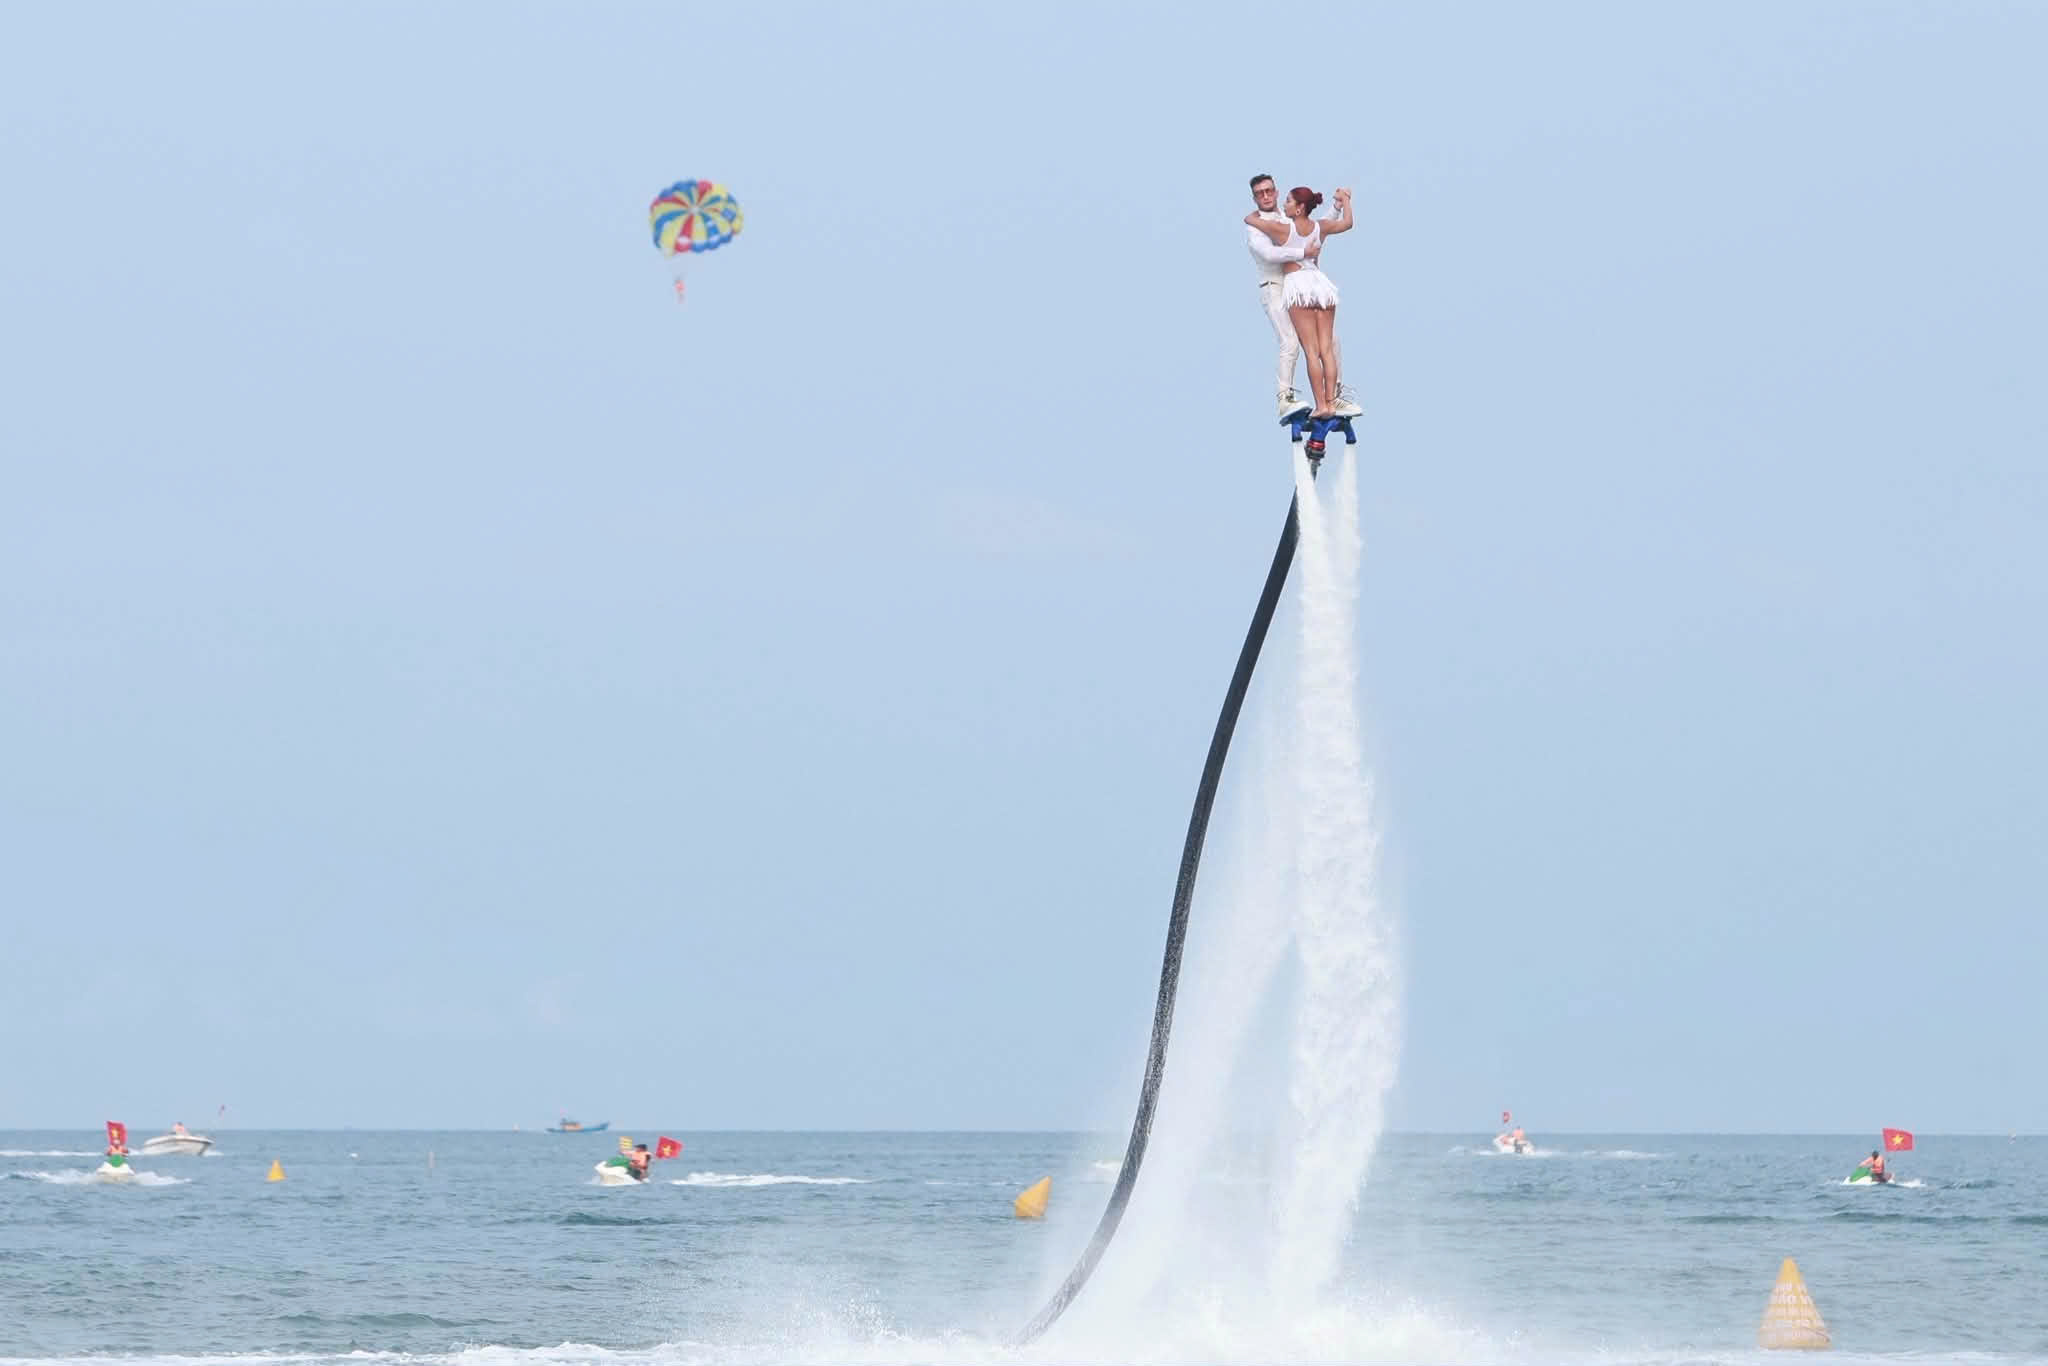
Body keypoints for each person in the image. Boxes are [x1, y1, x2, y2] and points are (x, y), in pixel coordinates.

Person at [1245, 173, 1361, 421]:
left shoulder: (1282, 221)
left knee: (1325, 344)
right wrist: (1304, 250)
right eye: (1259, 193)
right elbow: (1268, 253)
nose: (1266, 196)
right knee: (1291, 342)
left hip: (1298, 285)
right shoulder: (1266, 225)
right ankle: (1285, 396)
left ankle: (1331, 399)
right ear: (1254, 197)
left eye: (1270, 191)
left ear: (1277, 193)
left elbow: (1319, 228)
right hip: (1279, 286)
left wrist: (1335, 207)